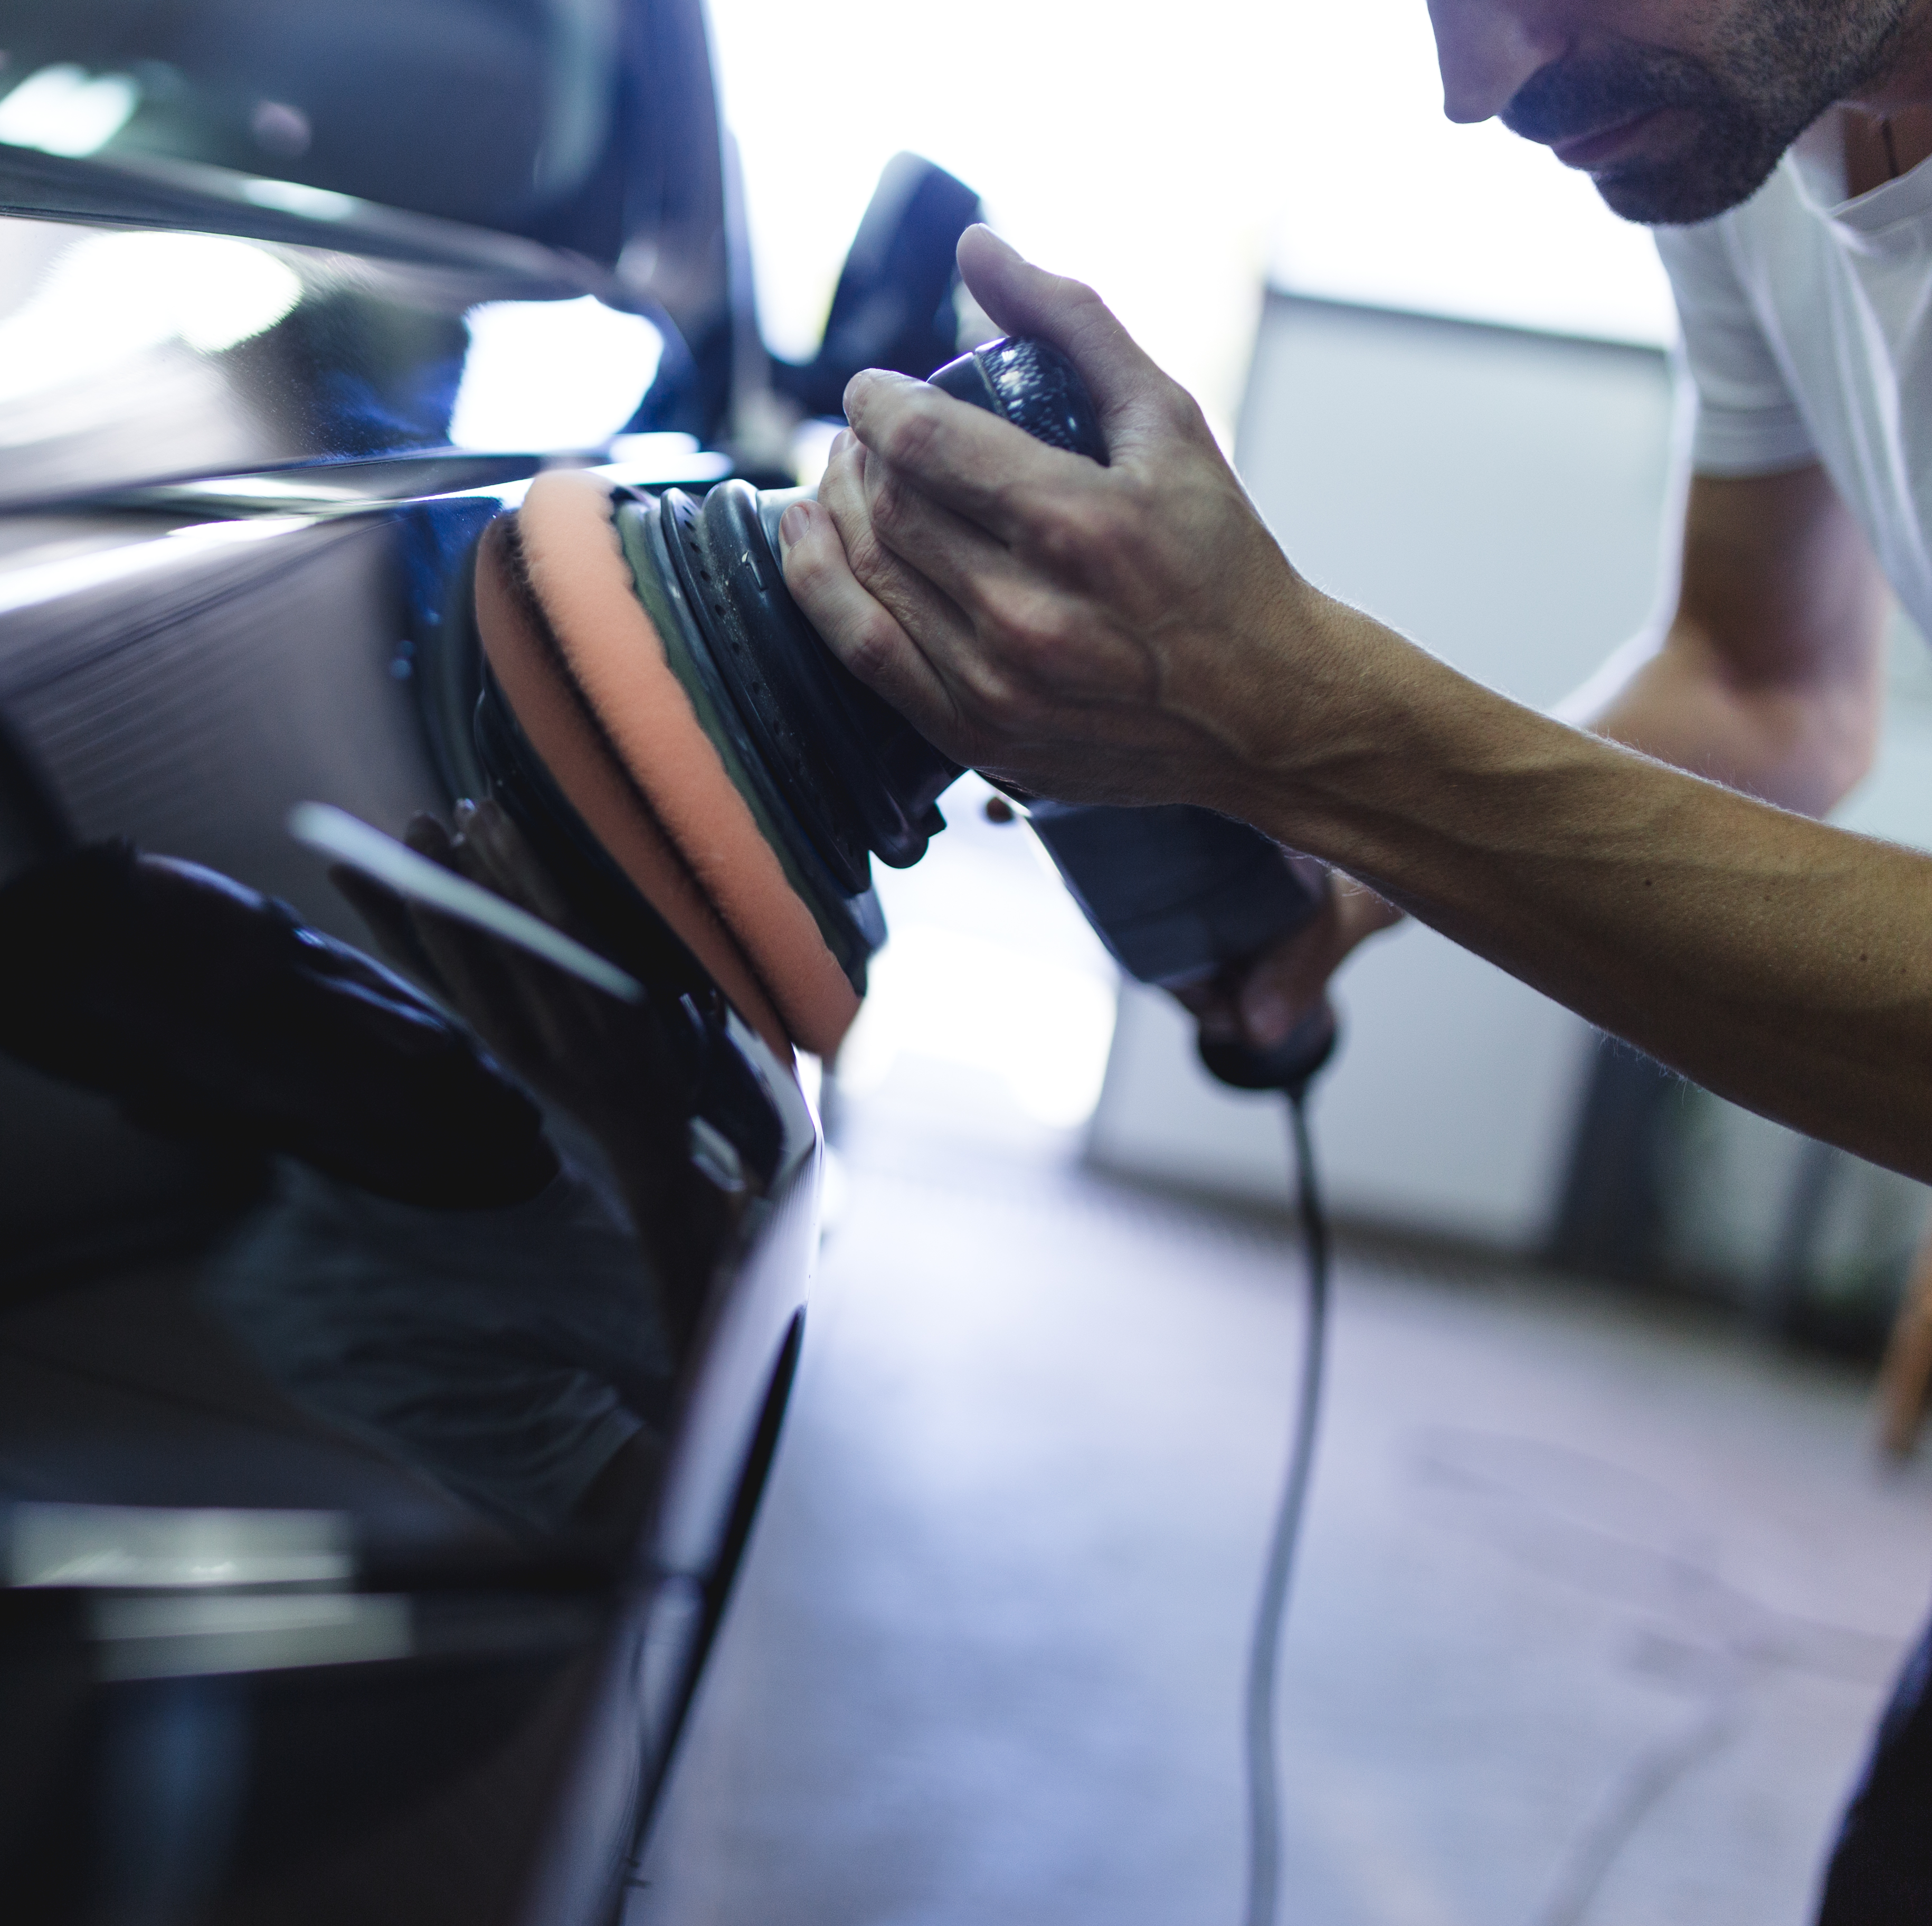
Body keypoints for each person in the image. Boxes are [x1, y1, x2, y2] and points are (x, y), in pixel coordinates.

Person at [773, 1, 1932, 1917]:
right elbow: (1760, 677)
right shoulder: (1746, 128)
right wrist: (1334, 887)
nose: (1476, 82)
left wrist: (1303, 720)